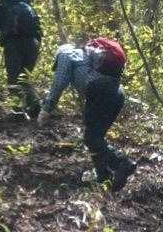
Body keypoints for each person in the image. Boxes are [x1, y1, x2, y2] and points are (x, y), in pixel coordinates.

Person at [37, 37, 136, 191]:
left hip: (100, 90)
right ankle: (103, 176)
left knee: (91, 138)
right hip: (117, 92)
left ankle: (122, 162)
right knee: (95, 137)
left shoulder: (65, 55)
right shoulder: (87, 57)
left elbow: (59, 82)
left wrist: (46, 109)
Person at [0, 0, 43, 118]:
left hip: (13, 44)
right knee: (24, 77)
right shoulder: (29, 7)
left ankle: (18, 112)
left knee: (13, 79)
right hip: (33, 43)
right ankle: (35, 108)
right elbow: (38, 30)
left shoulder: (2, 7)